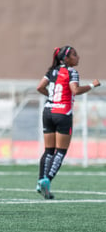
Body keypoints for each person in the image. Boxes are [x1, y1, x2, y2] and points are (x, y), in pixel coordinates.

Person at [36, 46, 100, 199]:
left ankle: (40, 181)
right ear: (66, 59)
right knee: (61, 151)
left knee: (48, 150)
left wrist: (51, 97)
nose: (78, 57)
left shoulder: (51, 71)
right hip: (62, 113)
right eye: (75, 55)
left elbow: (40, 87)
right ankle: (47, 181)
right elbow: (75, 91)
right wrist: (92, 85)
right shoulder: (72, 72)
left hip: (48, 111)